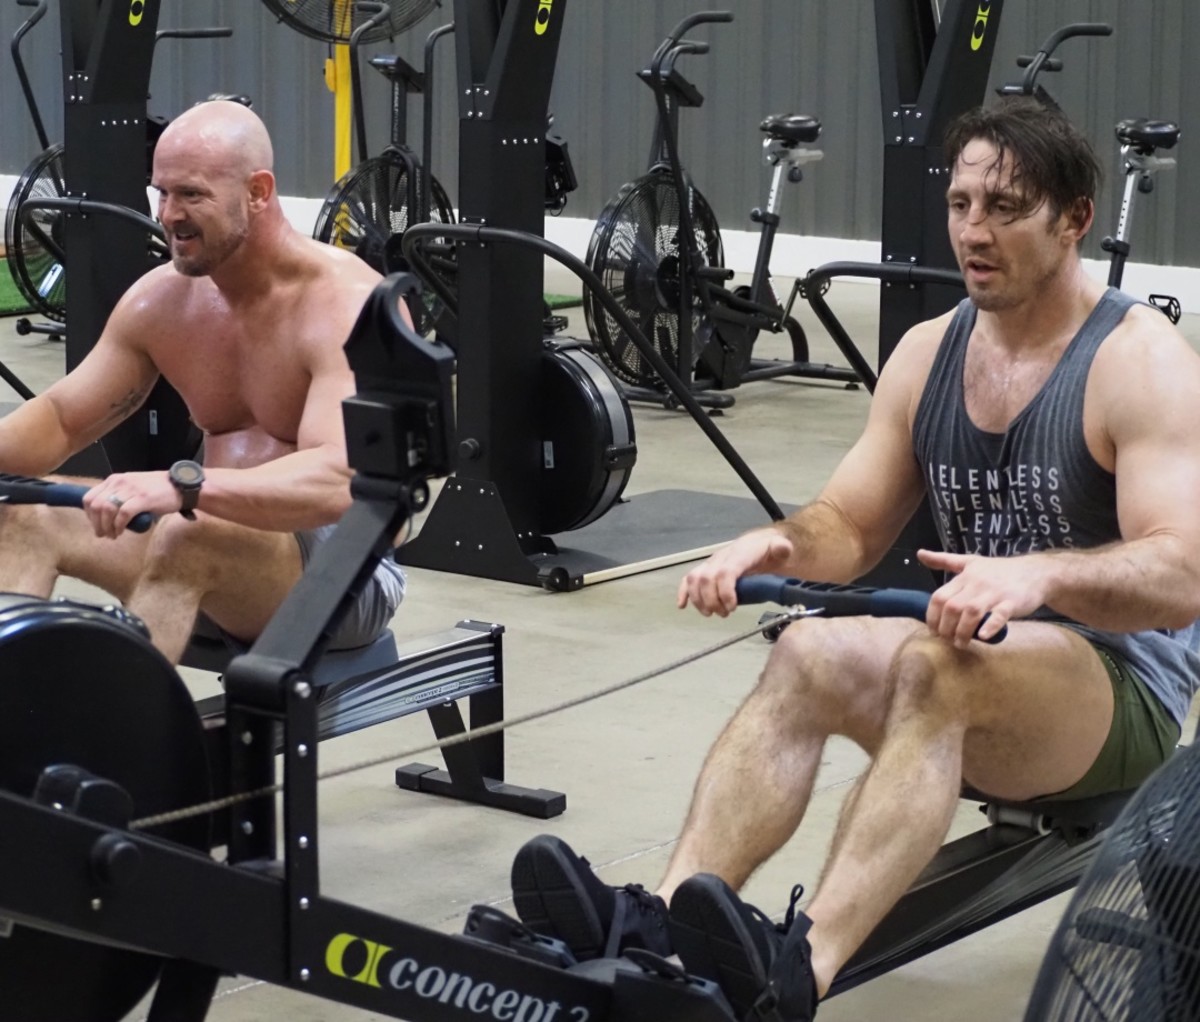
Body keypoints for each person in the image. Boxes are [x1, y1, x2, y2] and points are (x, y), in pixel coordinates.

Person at [508, 96, 1200, 1020]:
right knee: (808, 649)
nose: (973, 232)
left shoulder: (1138, 362)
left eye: (1006, 207)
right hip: (980, 655)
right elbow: (851, 525)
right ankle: (663, 929)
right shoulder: (927, 354)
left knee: (935, 666)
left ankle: (802, 970)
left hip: (1119, 692)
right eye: (960, 205)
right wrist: (781, 539)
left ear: (1075, 219)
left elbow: (1181, 576)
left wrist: (1041, 574)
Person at [0, 100, 407, 665]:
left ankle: (116, 744)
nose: (168, 214)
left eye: (191, 194)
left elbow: (340, 480)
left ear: (258, 192)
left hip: (341, 574)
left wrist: (184, 487)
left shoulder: (343, 305)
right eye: (161, 192)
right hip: (203, 537)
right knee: (21, 513)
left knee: (187, 534)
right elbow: (64, 417)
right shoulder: (162, 301)